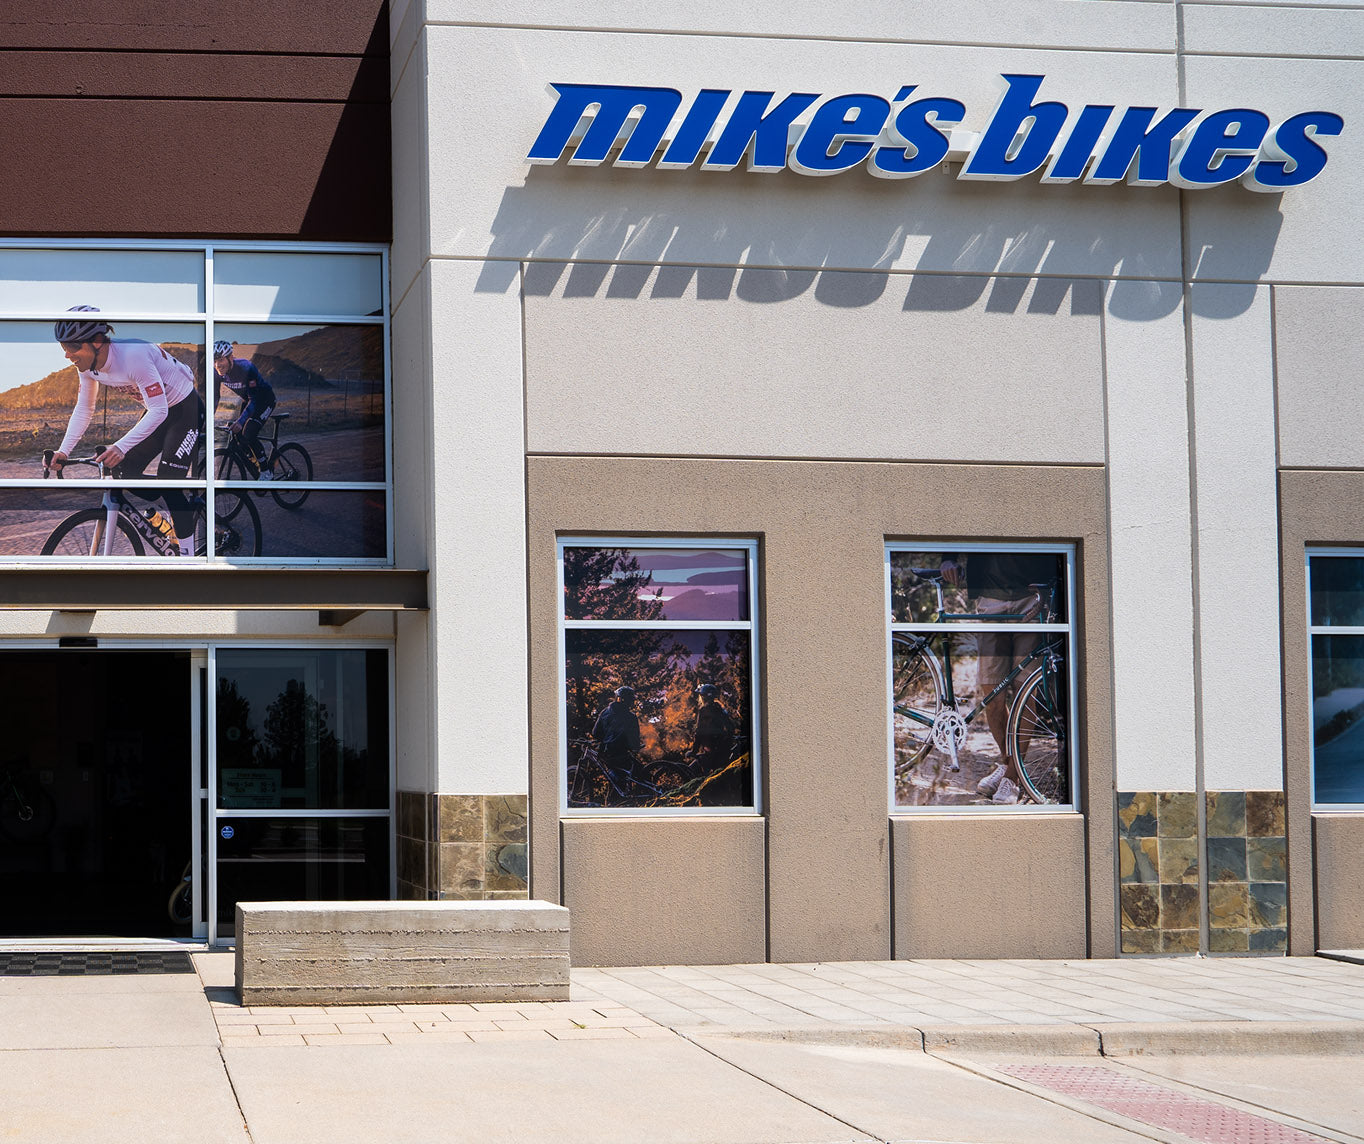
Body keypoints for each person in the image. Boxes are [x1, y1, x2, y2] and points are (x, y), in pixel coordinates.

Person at [46, 305, 203, 556]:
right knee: (124, 470)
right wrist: (64, 450)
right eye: (64, 348)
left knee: (170, 484)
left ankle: (189, 561)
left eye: (73, 347)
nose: (67, 355)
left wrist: (120, 446)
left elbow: (159, 411)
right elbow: (85, 408)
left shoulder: (133, 356)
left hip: (186, 409)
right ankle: (173, 510)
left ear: (97, 341)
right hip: (158, 411)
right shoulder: (87, 368)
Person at [940, 551, 1058, 799]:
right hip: (989, 596)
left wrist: (1048, 593)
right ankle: (1007, 766)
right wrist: (947, 556)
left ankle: (1013, 778)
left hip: (1031, 597)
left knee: (1026, 690)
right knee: (992, 694)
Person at [212, 340, 278, 480]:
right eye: (215, 360)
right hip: (248, 400)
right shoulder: (216, 372)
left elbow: (254, 400)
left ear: (230, 358)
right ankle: (255, 460)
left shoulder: (246, 368)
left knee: (248, 431)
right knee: (238, 436)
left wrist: (241, 421)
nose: (218, 364)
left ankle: (266, 471)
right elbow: (215, 398)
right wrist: (208, 419)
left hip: (264, 399)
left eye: (221, 360)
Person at [591, 686, 642, 776]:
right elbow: (634, 739)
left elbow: (595, 733)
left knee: (616, 776)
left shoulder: (605, 712)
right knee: (642, 774)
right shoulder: (631, 717)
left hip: (606, 753)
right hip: (622, 754)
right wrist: (636, 747)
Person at [689, 683, 734, 767]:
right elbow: (730, 727)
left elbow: (699, 731)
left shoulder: (703, 710)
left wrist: (694, 751)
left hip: (710, 749)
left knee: (695, 770)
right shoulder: (720, 709)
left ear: (703, 697)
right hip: (722, 748)